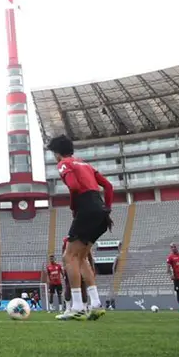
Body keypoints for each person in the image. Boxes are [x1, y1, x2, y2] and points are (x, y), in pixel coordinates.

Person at [48, 135, 112, 321]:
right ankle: (96, 304)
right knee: (82, 257)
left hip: (86, 207)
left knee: (68, 256)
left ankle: (76, 307)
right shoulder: (85, 164)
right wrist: (107, 208)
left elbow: (74, 185)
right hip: (100, 209)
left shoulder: (64, 164)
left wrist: (74, 207)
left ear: (57, 152)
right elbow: (108, 186)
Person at [61, 236, 92, 309]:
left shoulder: (84, 240)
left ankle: (84, 307)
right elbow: (64, 255)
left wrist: (92, 268)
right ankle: (68, 308)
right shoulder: (67, 241)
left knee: (83, 287)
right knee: (69, 286)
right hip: (72, 266)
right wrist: (65, 266)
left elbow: (89, 255)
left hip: (81, 265)